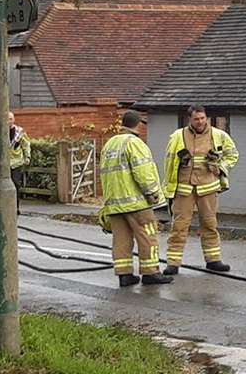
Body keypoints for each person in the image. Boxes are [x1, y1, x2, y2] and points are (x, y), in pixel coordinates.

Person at [97, 110, 170, 287]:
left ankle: (124, 275)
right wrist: (154, 195)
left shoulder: (110, 144)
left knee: (121, 239)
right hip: (136, 203)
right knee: (148, 236)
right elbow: (143, 172)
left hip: (114, 204)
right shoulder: (134, 143)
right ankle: (151, 272)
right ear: (138, 124)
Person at [161, 106, 236, 274]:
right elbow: (168, 162)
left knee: (210, 224)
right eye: (197, 119)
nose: (201, 122)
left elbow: (233, 155)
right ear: (190, 120)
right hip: (183, 188)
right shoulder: (177, 136)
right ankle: (173, 263)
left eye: (203, 118)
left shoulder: (218, 135)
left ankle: (213, 260)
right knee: (179, 226)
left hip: (208, 188)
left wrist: (220, 167)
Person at [0, 111, 28, 194]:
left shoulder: (20, 132)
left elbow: (26, 145)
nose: (9, 121)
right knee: (1, 186)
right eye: (7, 119)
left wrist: (27, 157)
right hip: (1, 163)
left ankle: (15, 206)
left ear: (14, 120)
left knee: (16, 184)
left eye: (11, 119)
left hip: (16, 163)